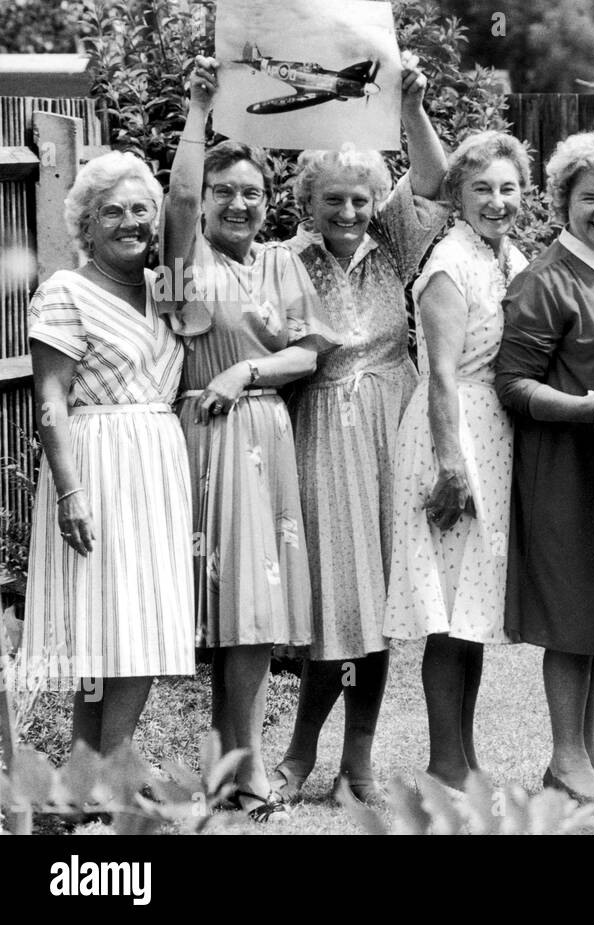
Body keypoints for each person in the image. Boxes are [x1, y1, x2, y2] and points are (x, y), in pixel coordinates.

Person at [162, 58, 338, 822]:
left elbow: (311, 350)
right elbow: (177, 197)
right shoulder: (184, 265)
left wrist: (251, 373)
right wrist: (201, 111)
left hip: (266, 433)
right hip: (207, 438)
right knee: (222, 612)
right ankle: (238, 765)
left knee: (254, 618)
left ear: (269, 204)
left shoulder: (280, 262)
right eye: (225, 192)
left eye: (252, 193)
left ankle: (240, 764)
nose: (238, 203)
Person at [270, 60, 448, 804]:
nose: (348, 210)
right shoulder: (282, 261)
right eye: (332, 199)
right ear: (308, 203)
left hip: (394, 427)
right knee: (335, 598)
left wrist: (410, 106)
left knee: (380, 602)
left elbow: (435, 177)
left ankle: (360, 763)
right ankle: (298, 752)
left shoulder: (396, 246)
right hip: (323, 429)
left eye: (359, 198)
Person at [495, 126, 594, 802]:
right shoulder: (544, 280)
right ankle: (565, 757)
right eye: (589, 198)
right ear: (564, 199)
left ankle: (583, 753)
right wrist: (583, 408)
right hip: (564, 463)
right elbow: (513, 384)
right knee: (569, 612)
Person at [22, 151, 195, 760]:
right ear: (86, 224)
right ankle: (107, 771)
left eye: (141, 210)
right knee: (103, 624)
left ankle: (87, 772)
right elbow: (49, 400)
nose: (131, 222)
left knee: (138, 620)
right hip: (96, 466)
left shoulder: (167, 288)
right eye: (113, 211)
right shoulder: (64, 289)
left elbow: (189, 208)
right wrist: (70, 491)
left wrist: (199, 114)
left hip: (158, 465)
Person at [384, 131, 530, 793]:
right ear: (458, 197)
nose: (497, 200)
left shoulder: (505, 254)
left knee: (471, 607)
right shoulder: (449, 260)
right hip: (453, 431)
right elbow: (439, 374)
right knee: (445, 611)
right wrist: (449, 465)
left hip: (491, 431)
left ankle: (465, 759)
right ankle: (444, 765)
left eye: (507, 188)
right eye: (482, 189)